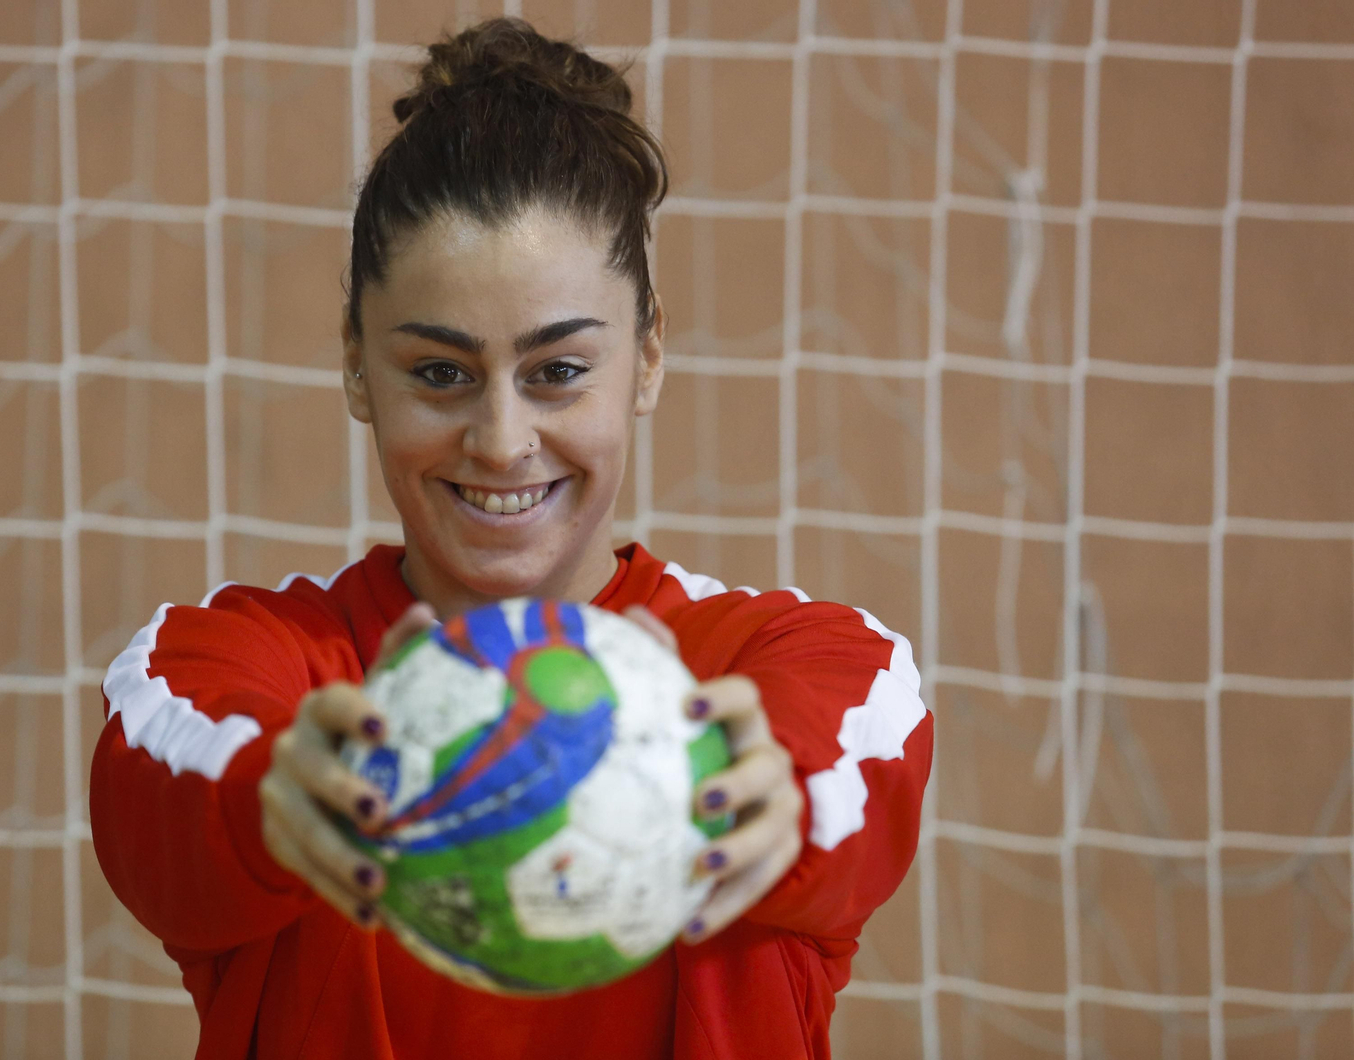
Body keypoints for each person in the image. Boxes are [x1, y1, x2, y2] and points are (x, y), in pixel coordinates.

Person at [90, 18, 932, 1060]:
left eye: (558, 371)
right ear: (357, 365)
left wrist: (775, 798)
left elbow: (854, 755)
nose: (500, 441)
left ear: (649, 355)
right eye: (439, 373)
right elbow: (163, 785)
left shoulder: (787, 669)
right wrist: (278, 796)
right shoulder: (242, 670)